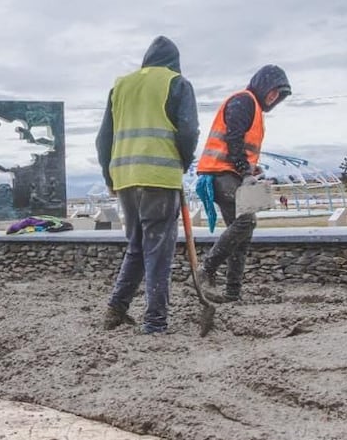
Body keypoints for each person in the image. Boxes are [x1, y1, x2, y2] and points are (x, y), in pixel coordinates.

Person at [96, 35, 199, 334]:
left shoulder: (120, 87)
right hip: (159, 177)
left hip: (126, 178)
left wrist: (110, 178)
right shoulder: (177, 83)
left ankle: (116, 309)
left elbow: (103, 139)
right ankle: (155, 322)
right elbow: (189, 131)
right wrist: (182, 161)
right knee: (158, 249)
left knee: (137, 245)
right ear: (174, 63)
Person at [196, 65, 292, 303]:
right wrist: (243, 168)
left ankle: (232, 292)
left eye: (278, 96)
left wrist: (250, 169)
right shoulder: (244, 101)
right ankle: (205, 269)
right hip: (220, 174)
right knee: (246, 221)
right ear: (263, 85)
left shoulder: (253, 107)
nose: (274, 98)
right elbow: (233, 138)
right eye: (273, 92)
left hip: (229, 173)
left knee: (242, 236)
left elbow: (240, 144)